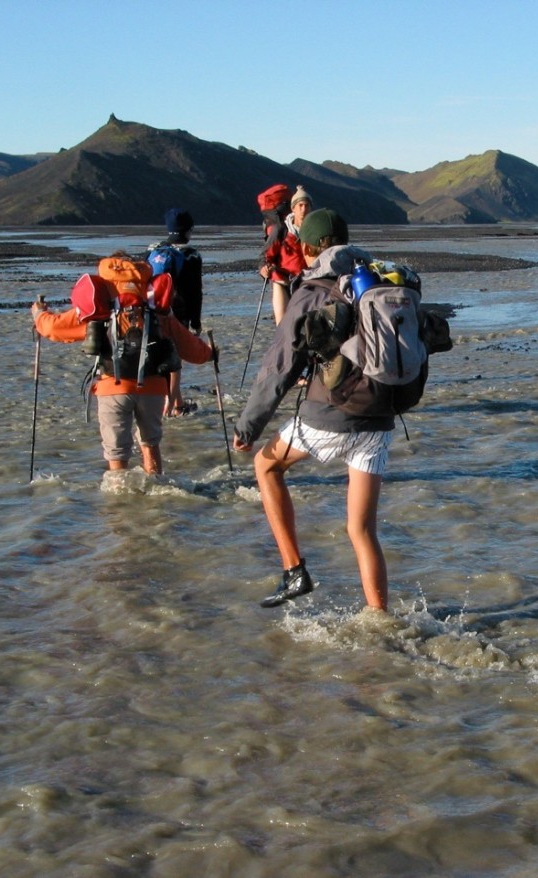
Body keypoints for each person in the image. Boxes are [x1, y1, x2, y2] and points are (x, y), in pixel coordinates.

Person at [233, 208, 391, 611]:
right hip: (381, 414)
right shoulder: (376, 280)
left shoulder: (312, 291)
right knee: (362, 529)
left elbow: (279, 366)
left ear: (306, 248)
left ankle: (294, 572)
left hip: (333, 414)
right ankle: (379, 619)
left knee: (266, 467)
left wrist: (248, 426)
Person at [32, 257, 214, 475]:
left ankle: (120, 504)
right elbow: (188, 346)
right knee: (151, 444)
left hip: (113, 387)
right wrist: (211, 353)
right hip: (153, 388)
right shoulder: (153, 303)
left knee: (117, 454)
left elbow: (54, 328)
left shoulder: (99, 303)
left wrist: (39, 314)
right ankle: (156, 499)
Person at [148, 208, 204, 417]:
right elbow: (195, 292)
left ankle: (173, 401)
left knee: (160, 356)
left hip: (154, 311)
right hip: (178, 313)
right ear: (188, 230)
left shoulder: (152, 250)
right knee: (175, 359)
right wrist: (196, 322)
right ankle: (173, 407)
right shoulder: (191, 255)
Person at [257, 185, 310, 325]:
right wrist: (264, 269)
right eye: (300, 205)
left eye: (307, 205)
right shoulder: (281, 230)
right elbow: (266, 254)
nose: (304, 209)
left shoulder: (313, 230)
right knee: (283, 328)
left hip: (305, 282)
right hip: (282, 280)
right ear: (293, 208)